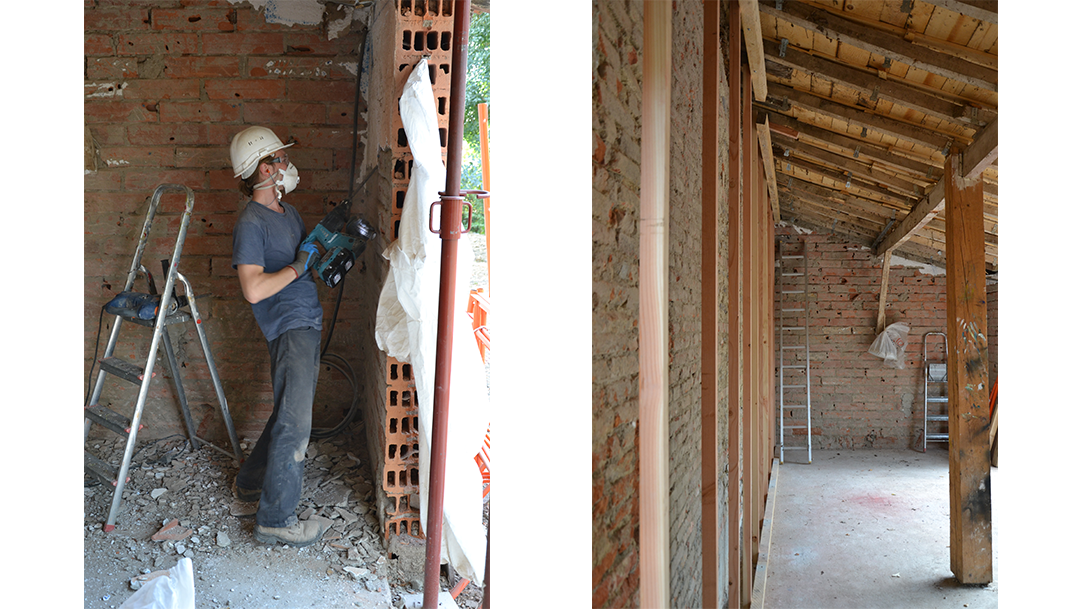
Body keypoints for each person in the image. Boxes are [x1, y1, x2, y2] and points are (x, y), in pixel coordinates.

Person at [228, 125, 326, 547]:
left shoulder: (289, 214)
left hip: (306, 317)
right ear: (266, 168)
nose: (288, 165)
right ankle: (275, 519)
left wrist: (324, 253)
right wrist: (298, 268)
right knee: (296, 423)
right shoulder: (251, 223)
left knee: (287, 411)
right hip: (288, 325)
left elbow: (303, 259)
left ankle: (250, 483)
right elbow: (252, 288)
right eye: (281, 159)